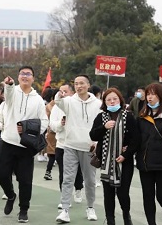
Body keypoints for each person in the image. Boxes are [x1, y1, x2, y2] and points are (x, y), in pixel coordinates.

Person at [0, 66, 48, 223]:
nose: (25, 76)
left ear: (33, 78)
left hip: (26, 146)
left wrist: (27, 129)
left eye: (28, 74)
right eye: (22, 74)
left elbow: (44, 122)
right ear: (18, 77)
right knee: (1, 175)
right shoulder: (12, 94)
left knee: (25, 181)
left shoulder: (38, 100)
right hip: (7, 142)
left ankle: (23, 209)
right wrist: (9, 85)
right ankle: (11, 195)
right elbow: (9, 94)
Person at [55, 74, 101, 223]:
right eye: (76, 84)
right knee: (68, 179)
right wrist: (59, 94)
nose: (79, 86)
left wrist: (97, 143)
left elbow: (100, 126)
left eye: (82, 83)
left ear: (88, 85)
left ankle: (90, 207)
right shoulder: (68, 101)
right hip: (70, 146)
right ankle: (65, 210)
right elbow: (58, 101)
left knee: (90, 180)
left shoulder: (98, 104)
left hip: (89, 148)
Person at [89, 88, 138, 225]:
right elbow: (93, 135)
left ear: (120, 99)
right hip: (106, 161)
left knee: (123, 193)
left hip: (124, 161)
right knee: (108, 194)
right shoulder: (101, 117)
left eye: (114, 99)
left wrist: (125, 154)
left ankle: (126, 216)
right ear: (104, 102)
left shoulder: (128, 116)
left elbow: (136, 139)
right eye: (108, 99)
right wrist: (104, 127)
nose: (112, 101)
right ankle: (110, 220)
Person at [135, 83, 162, 225]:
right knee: (148, 196)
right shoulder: (142, 115)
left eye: (153, 94)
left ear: (161, 96)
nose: (149, 97)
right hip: (146, 163)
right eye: (148, 94)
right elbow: (136, 137)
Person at [49, 83, 85, 208]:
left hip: (77, 144)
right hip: (62, 144)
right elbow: (52, 125)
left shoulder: (78, 105)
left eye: (65, 91)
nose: (62, 93)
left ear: (71, 93)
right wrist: (60, 123)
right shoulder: (56, 108)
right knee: (63, 172)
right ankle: (65, 198)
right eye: (60, 91)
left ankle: (78, 188)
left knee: (77, 171)